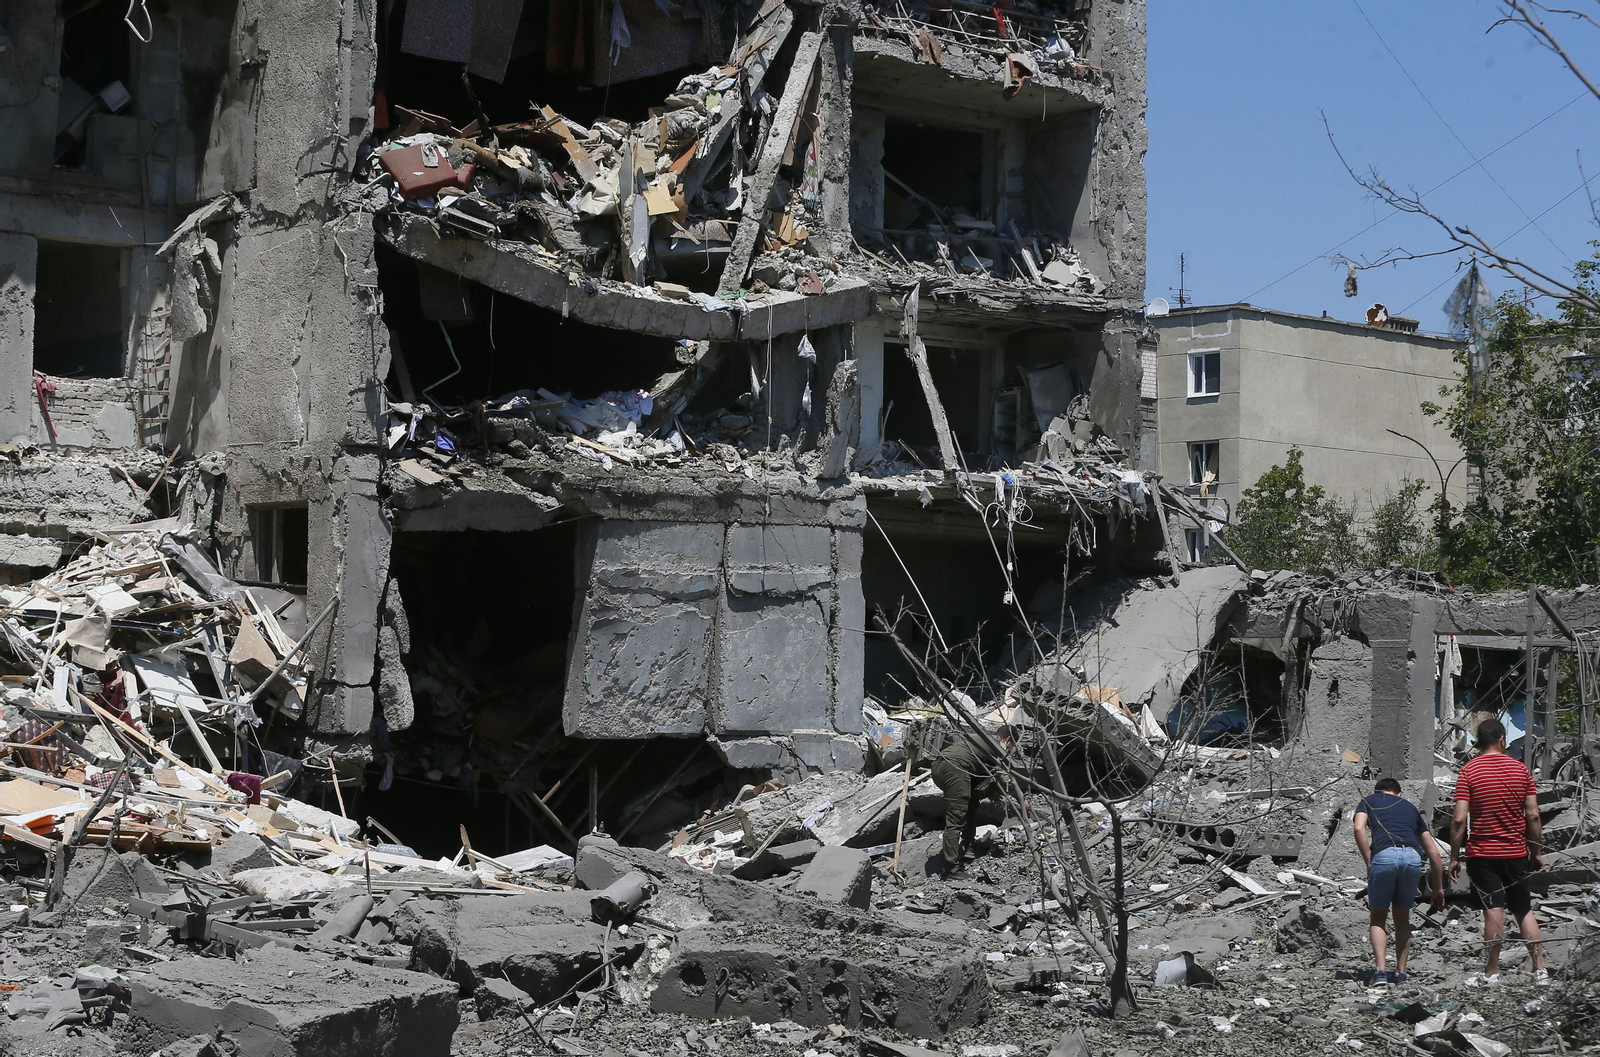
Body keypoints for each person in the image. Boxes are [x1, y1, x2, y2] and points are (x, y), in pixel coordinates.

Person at [1450, 717, 1548, 986]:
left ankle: (1492, 973)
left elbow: (1459, 819)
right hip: (1515, 853)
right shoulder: (1521, 770)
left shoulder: (1469, 771)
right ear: (1502, 739)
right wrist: (1535, 852)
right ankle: (1540, 970)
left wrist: (1454, 857)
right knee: (1523, 909)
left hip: (1482, 854)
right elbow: (1533, 815)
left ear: (1479, 742)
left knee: (1493, 910)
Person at [1352, 777, 1445, 984]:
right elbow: (1434, 853)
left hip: (1384, 856)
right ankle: (1401, 974)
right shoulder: (1411, 808)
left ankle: (1380, 972)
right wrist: (1438, 888)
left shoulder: (1368, 801)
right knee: (1402, 918)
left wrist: (1369, 861)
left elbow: (1359, 828)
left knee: (1378, 916)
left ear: (1377, 792)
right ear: (1399, 793)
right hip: (1412, 857)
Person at [930, 725, 1014, 878]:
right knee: (956, 818)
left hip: (940, 766)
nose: (1009, 750)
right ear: (1008, 739)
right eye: (1011, 746)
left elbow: (982, 773)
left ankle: (967, 847)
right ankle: (951, 869)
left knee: (972, 802)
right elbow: (1003, 777)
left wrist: (990, 791)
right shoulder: (996, 746)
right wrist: (1022, 799)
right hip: (954, 769)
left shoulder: (982, 740)